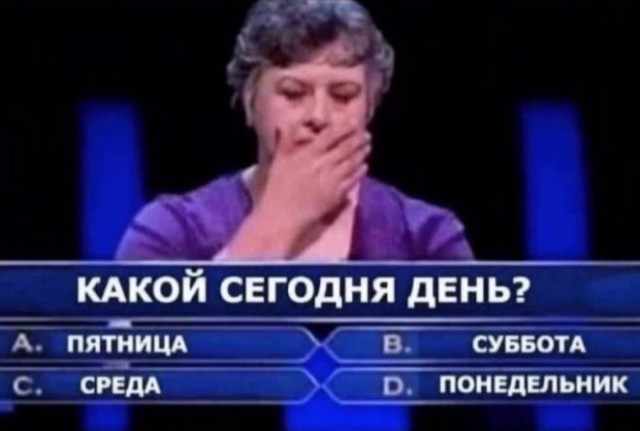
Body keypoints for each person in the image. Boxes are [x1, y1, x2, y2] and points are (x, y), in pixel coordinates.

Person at [116, 0, 473, 262]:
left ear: (371, 106)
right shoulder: (172, 232)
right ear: (249, 101)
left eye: (343, 95)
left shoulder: (427, 239)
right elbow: (146, 343)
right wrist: (280, 219)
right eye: (293, 93)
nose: (319, 116)